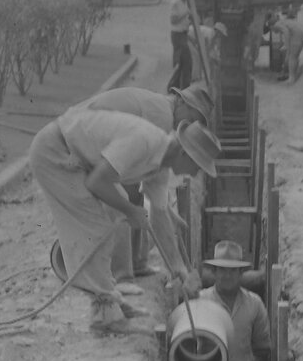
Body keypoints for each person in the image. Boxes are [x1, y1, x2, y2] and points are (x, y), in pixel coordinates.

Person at [28, 108, 220, 333]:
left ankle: (110, 299)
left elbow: (159, 216)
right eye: (197, 166)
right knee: (97, 228)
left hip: (78, 158)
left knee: (114, 211)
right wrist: (131, 210)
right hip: (56, 153)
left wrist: (178, 266)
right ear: (185, 154)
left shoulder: (160, 166)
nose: (195, 173)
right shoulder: (143, 142)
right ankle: (105, 316)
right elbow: (96, 182)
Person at [79, 83, 215, 277]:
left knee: (134, 195)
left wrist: (167, 211)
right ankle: (121, 274)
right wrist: (176, 265)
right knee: (121, 199)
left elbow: (155, 191)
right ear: (182, 103)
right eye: (191, 119)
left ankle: (137, 263)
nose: (187, 126)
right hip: (86, 145)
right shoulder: (161, 117)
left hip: (103, 147)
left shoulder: (163, 124)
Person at [270, 12, 303, 83]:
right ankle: (294, 75)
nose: (274, 32)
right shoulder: (285, 22)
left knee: (292, 57)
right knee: (295, 56)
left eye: (272, 30)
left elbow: (285, 31)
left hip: (297, 33)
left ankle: (291, 79)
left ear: (271, 26)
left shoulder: (277, 24)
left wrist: (286, 45)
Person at [169, 0, 193, 90]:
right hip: (177, 34)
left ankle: (181, 88)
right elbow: (173, 20)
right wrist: (186, 14)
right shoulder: (175, 3)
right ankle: (173, 87)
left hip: (184, 33)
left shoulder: (187, 2)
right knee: (182, 62)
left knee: (185, 63)